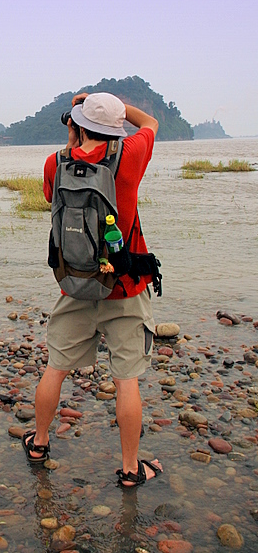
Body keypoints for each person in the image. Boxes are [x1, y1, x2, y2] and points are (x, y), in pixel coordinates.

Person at [22, 91, 163, 487]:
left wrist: (72, 140)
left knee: (56, 368)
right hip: (124, 288)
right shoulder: (130, 154)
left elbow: (52, 198)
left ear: (77, 125)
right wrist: (117, 105)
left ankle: (40, 442)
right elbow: (151, 124)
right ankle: (131, 468)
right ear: (116, 128)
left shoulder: (55, 162)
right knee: (126, 379)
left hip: (75, 285)